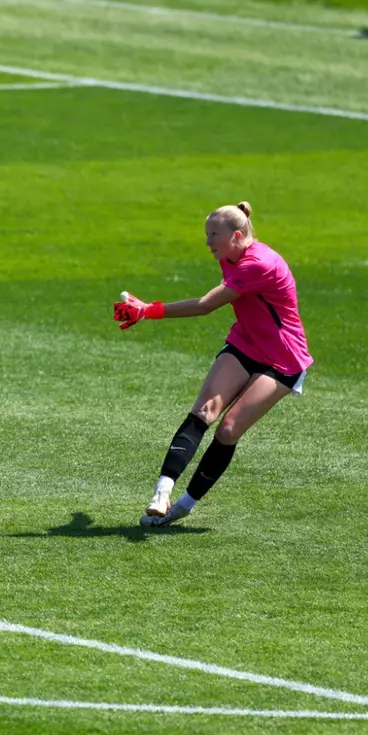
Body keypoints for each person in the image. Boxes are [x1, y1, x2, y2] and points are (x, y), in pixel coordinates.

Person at [114, 203, 312, 527]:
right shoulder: (230, 255)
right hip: (246, 342)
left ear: (236, 235)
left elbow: (206, 305)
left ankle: (184, 505)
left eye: (213, 235)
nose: (208, 243)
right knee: (204, 409)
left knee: (229, 428)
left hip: (282, 358)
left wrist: (147, 310)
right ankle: (161, 494)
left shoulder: (259, 263)